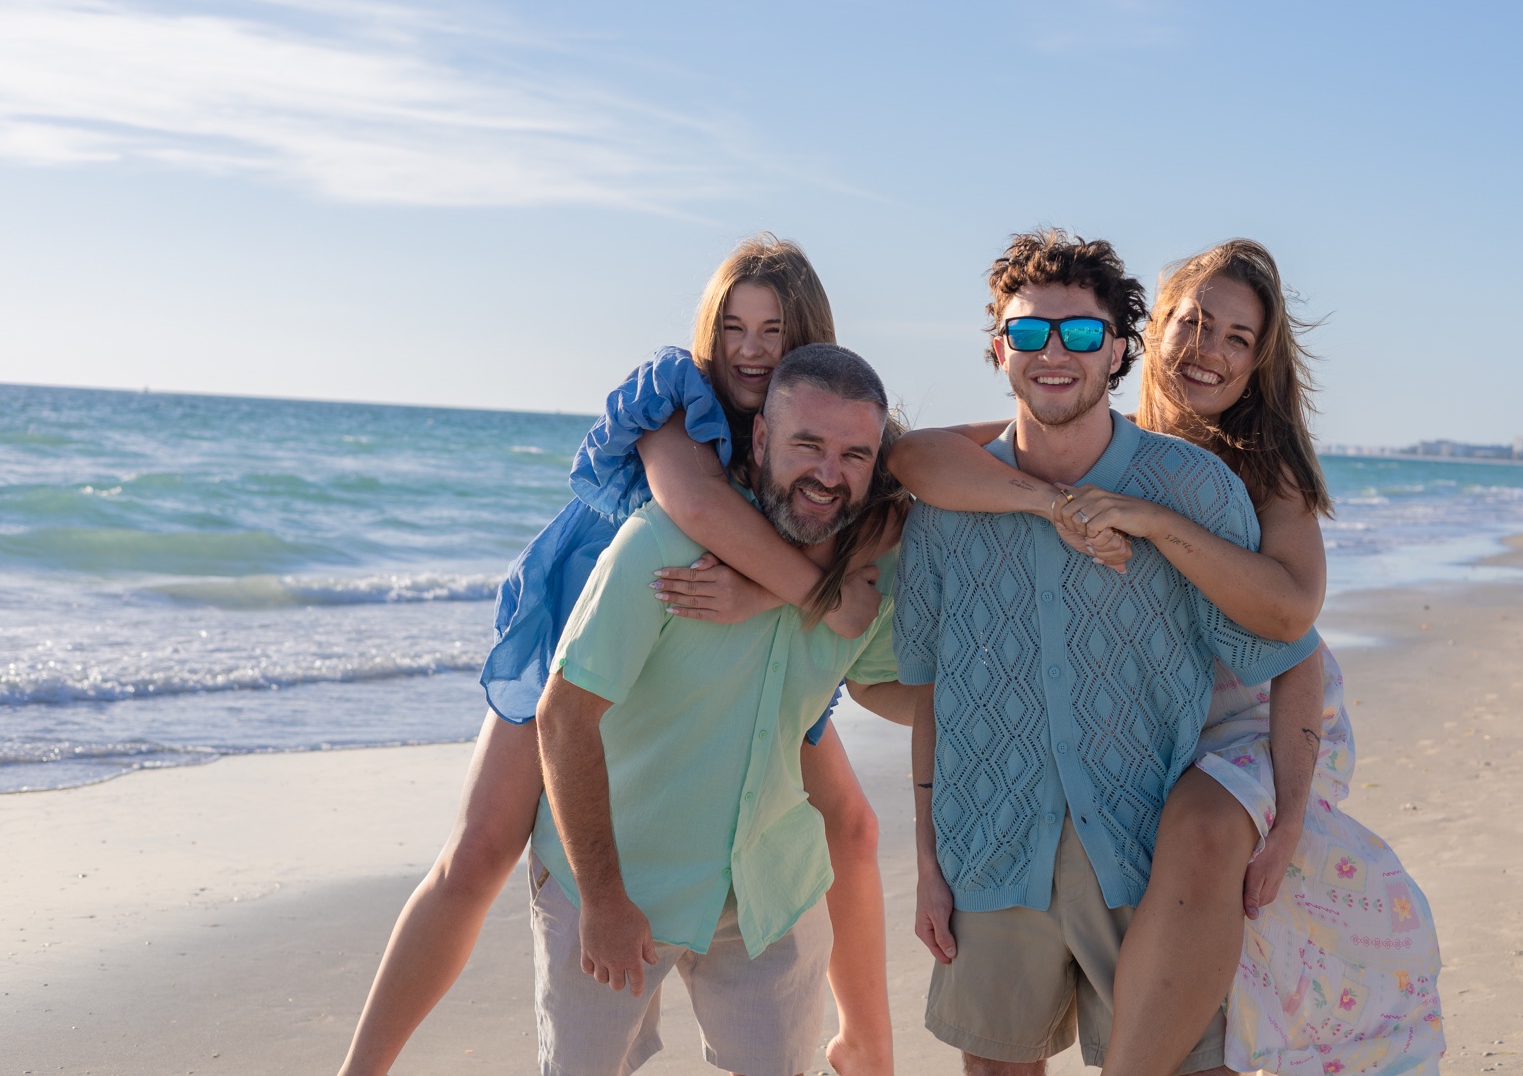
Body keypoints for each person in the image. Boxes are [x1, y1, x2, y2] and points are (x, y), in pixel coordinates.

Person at [338, 238, 896, 1076]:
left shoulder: (819, 426)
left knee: (849, 823)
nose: (749, 348)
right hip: (602, 612)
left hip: (729, 648)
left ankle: (866, 1046)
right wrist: (805, 592)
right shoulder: (678, 401)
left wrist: (783, 594)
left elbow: (894, 491)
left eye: (772, 329)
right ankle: (363, 1068)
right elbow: (699, 508)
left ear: (805, 337)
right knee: (482, 848)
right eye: (732, 325)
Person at [890, 239, 1443, 1074]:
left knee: (1205, 846)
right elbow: (914, 460)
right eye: (1195, 322)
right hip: (1018, 815)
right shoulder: (1001, 463)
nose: (1208, 350)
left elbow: (1292, 633)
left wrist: (1290, 816)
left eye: (1237, 338)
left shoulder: (1246, 480)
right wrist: (1057, 507)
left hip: (1237, 733)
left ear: (1117, 345)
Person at [533, 344, 904, 1076]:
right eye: (808, 445)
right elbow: (562, 718)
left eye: (854, 454)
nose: (829, 475)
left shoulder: (862, 572)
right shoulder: (662, 545)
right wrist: (604, 900)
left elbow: (879, 686)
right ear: (761, 439)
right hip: (615, 881)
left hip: (771, 895)